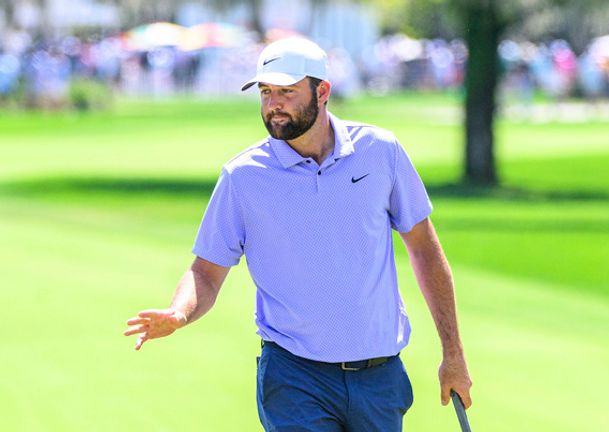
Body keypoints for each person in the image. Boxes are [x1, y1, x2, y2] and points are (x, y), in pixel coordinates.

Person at [123, 37, 472, 431]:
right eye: (266, 92)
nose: (273, 104)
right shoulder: (243, 178)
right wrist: (179, 313)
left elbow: (425, 251)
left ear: (322, 91)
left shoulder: (381, 152)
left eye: (287, 91)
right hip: (294, 378)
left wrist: (453, 354)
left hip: (379, 378)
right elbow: (206, 271)